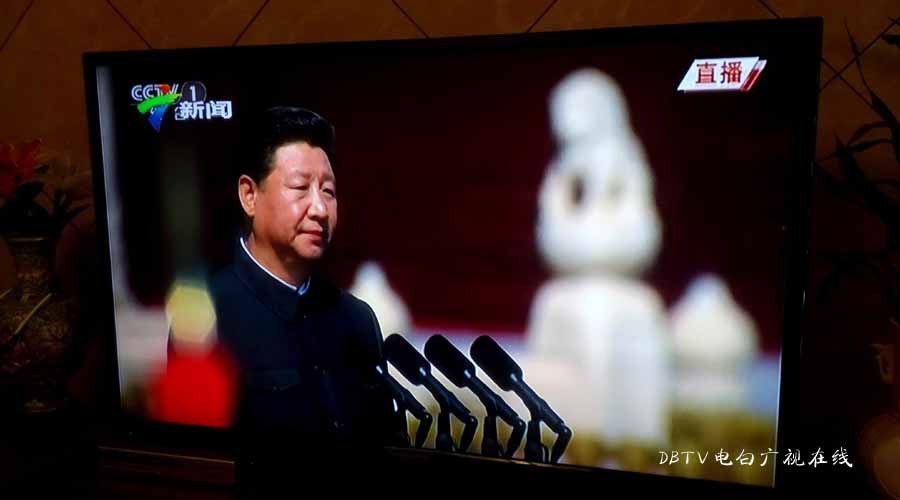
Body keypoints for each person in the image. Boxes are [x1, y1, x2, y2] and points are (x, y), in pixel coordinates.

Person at [208, 106, 404, 494]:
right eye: (300, 188)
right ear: (249, 195)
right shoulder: (209, 315)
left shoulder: (356, 318)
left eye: (328, 191)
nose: (319, 209)